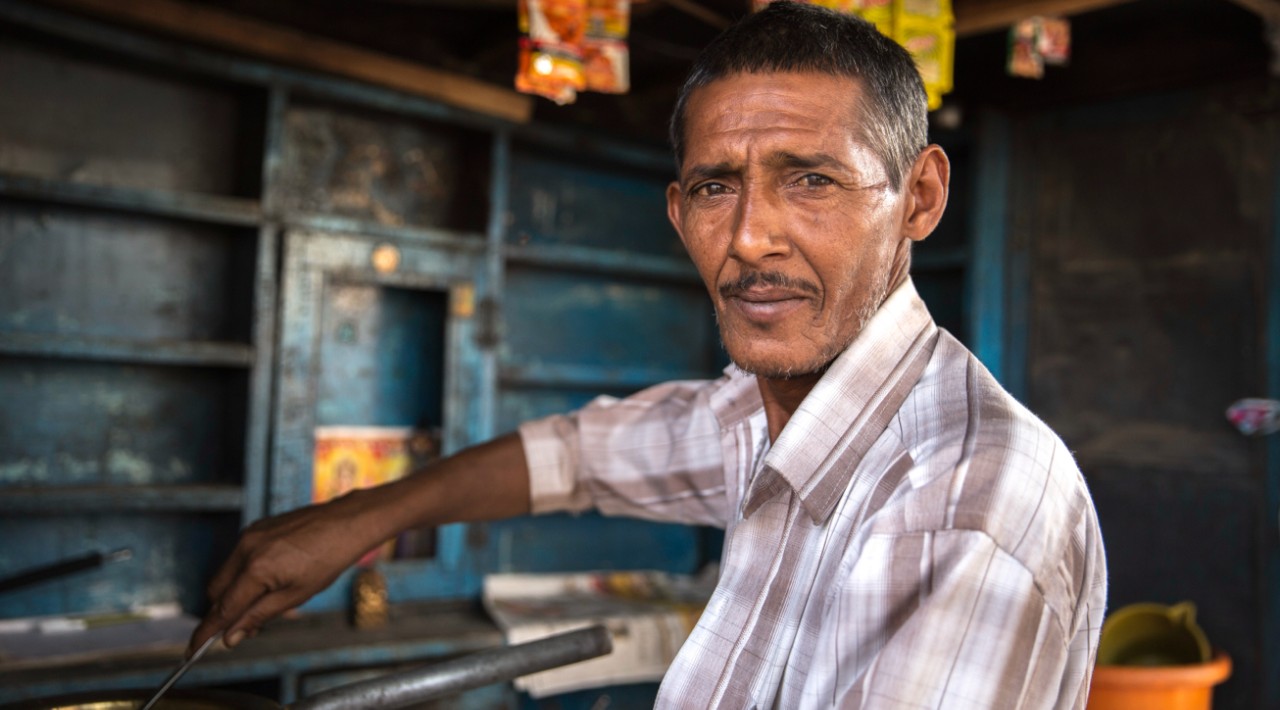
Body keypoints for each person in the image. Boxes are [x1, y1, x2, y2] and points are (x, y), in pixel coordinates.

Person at [191, 2, 1107, 707]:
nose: (750, 239)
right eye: (718, 187)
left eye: (812, 181)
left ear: (919, 198)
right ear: (678, 212)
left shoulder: (957, 504)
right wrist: (356, 519)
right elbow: (576, 458)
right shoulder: (767, 414)